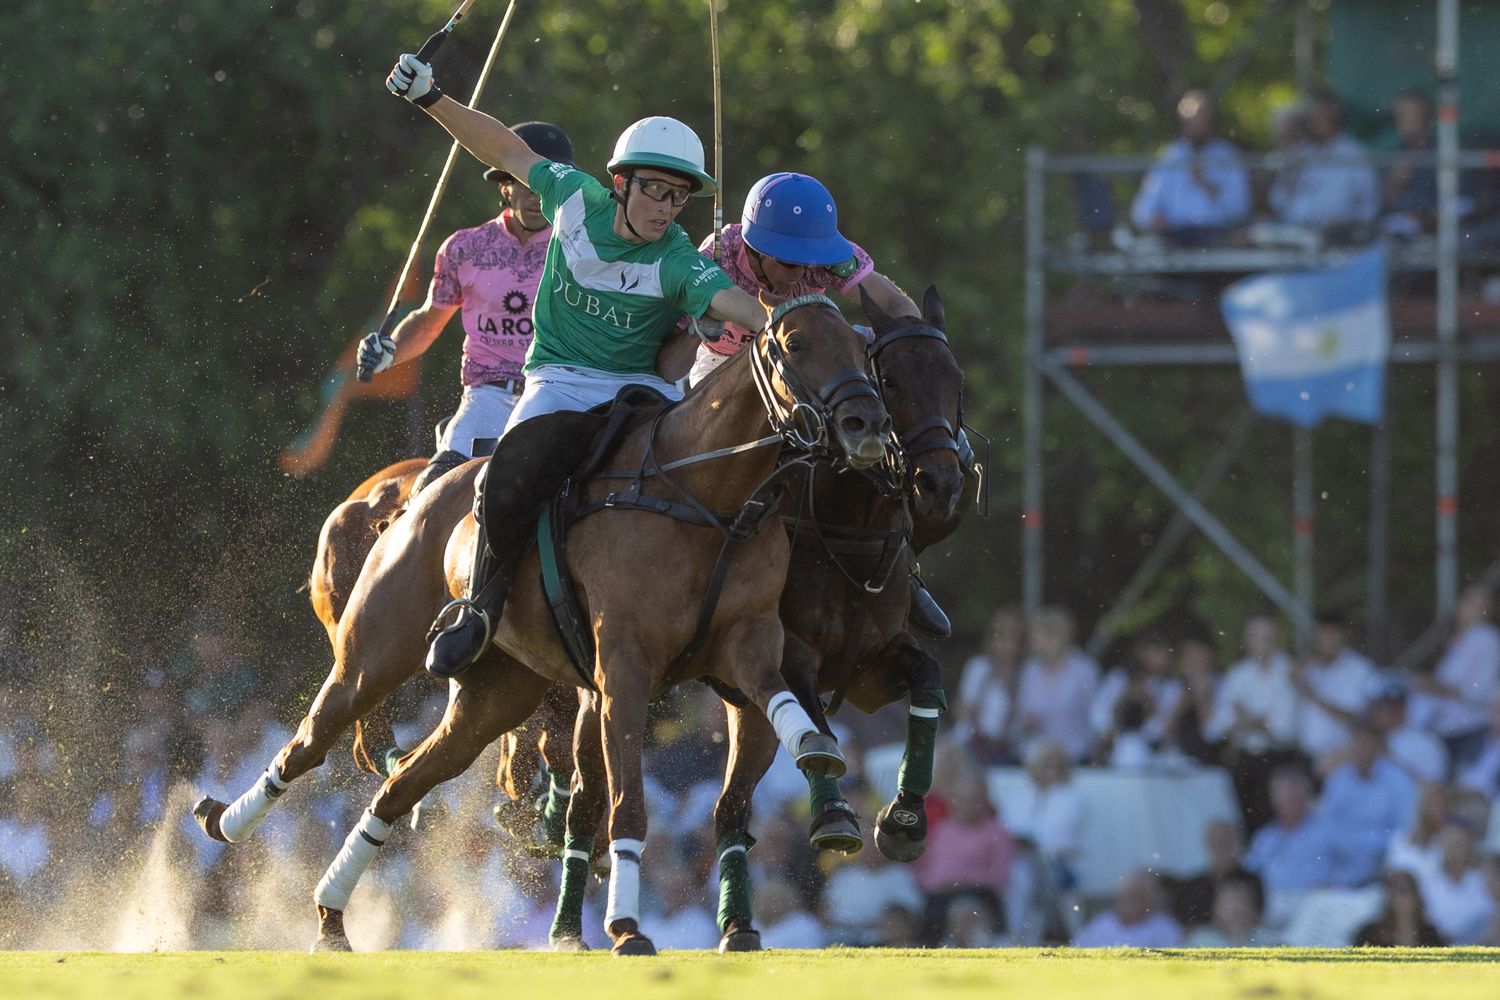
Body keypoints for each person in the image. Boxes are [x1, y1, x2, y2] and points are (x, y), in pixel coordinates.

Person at [384, 52, 774, 676]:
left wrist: (786, 327)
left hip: (639, 391)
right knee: (504, 474)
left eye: (678, 197)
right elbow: (504, 151)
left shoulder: (678, 257)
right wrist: (432, 97)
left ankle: (705, 616)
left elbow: (737, 303)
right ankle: (481, 609)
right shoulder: (571, 197)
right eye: (654, 189)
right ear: (621, 183)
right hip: (559, 383)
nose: (665, 208)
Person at [683, 171, 950, 637]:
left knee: (877, 433)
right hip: (729, 365)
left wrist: (915, 342)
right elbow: (679, 306)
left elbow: (886, 298)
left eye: (812, 260)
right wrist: (697, 318)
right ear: (755, 248)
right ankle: (703, 572)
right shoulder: (717, 253)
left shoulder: (831, 257)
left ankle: (903, 567)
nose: (803, 272)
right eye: (789, 263)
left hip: (812, 369)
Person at [358, 123, 577, 495]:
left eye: (545, 183)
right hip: (488, 398)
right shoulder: (465, 248)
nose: (535, 195)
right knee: (432, 493)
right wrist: (390, 351)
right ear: (505, 185)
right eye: (525, 181)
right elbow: (428, 321)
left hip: (557, 393)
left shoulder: (581, 250)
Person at [1204, 614, 1304, 832]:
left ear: (1277, 639)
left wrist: (1243, 719)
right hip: (1244, 761)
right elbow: (1215, 728)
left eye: (1267, 637)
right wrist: (1256, 721)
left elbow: (1284, 729)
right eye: (1255, 637)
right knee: (1245, 826)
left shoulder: (1289, 672)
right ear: (1245, 641)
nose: (1261, 643)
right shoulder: (1237, 675)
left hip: (1277, 761)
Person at [1129, 90, 1250, 247]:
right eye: (1190, 121)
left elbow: (1239, 210)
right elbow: (1144, 209)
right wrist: (1152, 219)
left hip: (1217, 236)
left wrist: (1207, 185)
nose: (1195, 126)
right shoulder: (1171, 156)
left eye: (1201, 119)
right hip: (1175, 237)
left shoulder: (1227, 156)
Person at [1267, 89, 1378, 242]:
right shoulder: (1302, 154)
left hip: (1339, 239)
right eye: (1312, 116)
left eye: (1321, 114)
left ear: (1334, 115)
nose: (1316, 120)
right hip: (1296, 235)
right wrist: (1290, 176)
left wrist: (1350, 223)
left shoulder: (1354, 154)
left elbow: (1369, 207)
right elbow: (1278, 201)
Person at [1316, 719, 1417, 887]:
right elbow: (1327, 824)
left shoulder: (1398, 781)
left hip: (1381, 863)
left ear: (1378, 747)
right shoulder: (1337, 780)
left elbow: (1405, 829)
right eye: (1357, 742)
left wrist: (1366, 845)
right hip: (1342, 862)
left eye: (1367, 743)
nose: (1362, 749)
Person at [1411, 584, 1500, 771]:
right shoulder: (1461, 641)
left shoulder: (1485, 638)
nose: (1480, 609)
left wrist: (1434, 686)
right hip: (1449, 730)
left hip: (1470, 730)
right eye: (1474, 603)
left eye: (1483, 604)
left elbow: (1478, 692)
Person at [1241, 766, 1340, 926]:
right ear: (1274, 801)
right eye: (1286, 798)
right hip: (1273, 903)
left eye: (1297, 797)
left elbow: (1353, 866)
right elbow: (1250, 871)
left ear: (1307, 798)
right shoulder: (1265, 837)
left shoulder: (1327, 831)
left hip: (1313, 902)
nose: (1292, 803)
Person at [1014, 607, 1100, 762]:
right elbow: (1023, 711)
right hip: (1036, 757)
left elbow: (1095, 714)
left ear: (1057, 637)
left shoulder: (1084, 670)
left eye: (1037, 638)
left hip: (1075, 755)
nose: (1033, 643)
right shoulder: (1030, 671)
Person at [1291, 611, 1377, 761]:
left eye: (1333, 634)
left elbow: (1355, 717)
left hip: (1341, 757)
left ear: (1344, 635)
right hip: (1304, 755)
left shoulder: (1360, 669)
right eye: (1323, 634)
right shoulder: (1308, 667)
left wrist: (1315, 696)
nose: (1328, 640)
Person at [1089, 629, 1182, 765]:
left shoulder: (1171, 686)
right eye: (1156, 651)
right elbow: (1098, 715)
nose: (1162, 658)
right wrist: (1124, 698)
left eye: (1165, 653)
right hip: (1116, 749)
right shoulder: (1119, 678)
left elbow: (1162, 729)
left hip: (1153, 754)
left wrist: (1149, 703)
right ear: (1140, 652)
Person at [951, 607, 1026, 764]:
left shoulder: (1026, 674)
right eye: (1000, 639)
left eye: (1012, 641)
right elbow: (961, 708)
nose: (1006, 647)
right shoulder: (978, 667)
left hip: (1008, 749)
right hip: (972, 743)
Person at [1164, 818, 1261, 929]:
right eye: (1216, 842)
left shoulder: (1251, 881)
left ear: (1236, 843)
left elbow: (1256, 920)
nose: (1221, 846)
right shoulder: (1191, 885)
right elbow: (1184, 925)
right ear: (1208, 844)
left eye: (1226, 841)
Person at [1414, 822, 1496, 944]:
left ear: (1470, 845)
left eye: (1459, 844)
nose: (1453, 849)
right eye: (1449, 843)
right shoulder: (1426, 882)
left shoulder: (1485, 879)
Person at [1072, 870, 1183, 948]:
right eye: (1124, 896)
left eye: (1135, 897)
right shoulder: (1100, 923)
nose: (1128, 902)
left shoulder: (1164, 928)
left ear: (1149, 900)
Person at [1352, 869, 1444, 947]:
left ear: (1417, 896)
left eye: (1405, 890)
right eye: (1394, 891)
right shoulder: (1369, 934)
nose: (1400, 897)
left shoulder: (1430, 934)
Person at [1183, 875, 1278, 948]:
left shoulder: (1270, 943)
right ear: (1216, 908)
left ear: (1252, 907)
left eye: (1241, 901)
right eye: (1229, 902)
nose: (1235, 909)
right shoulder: (1199, 942)